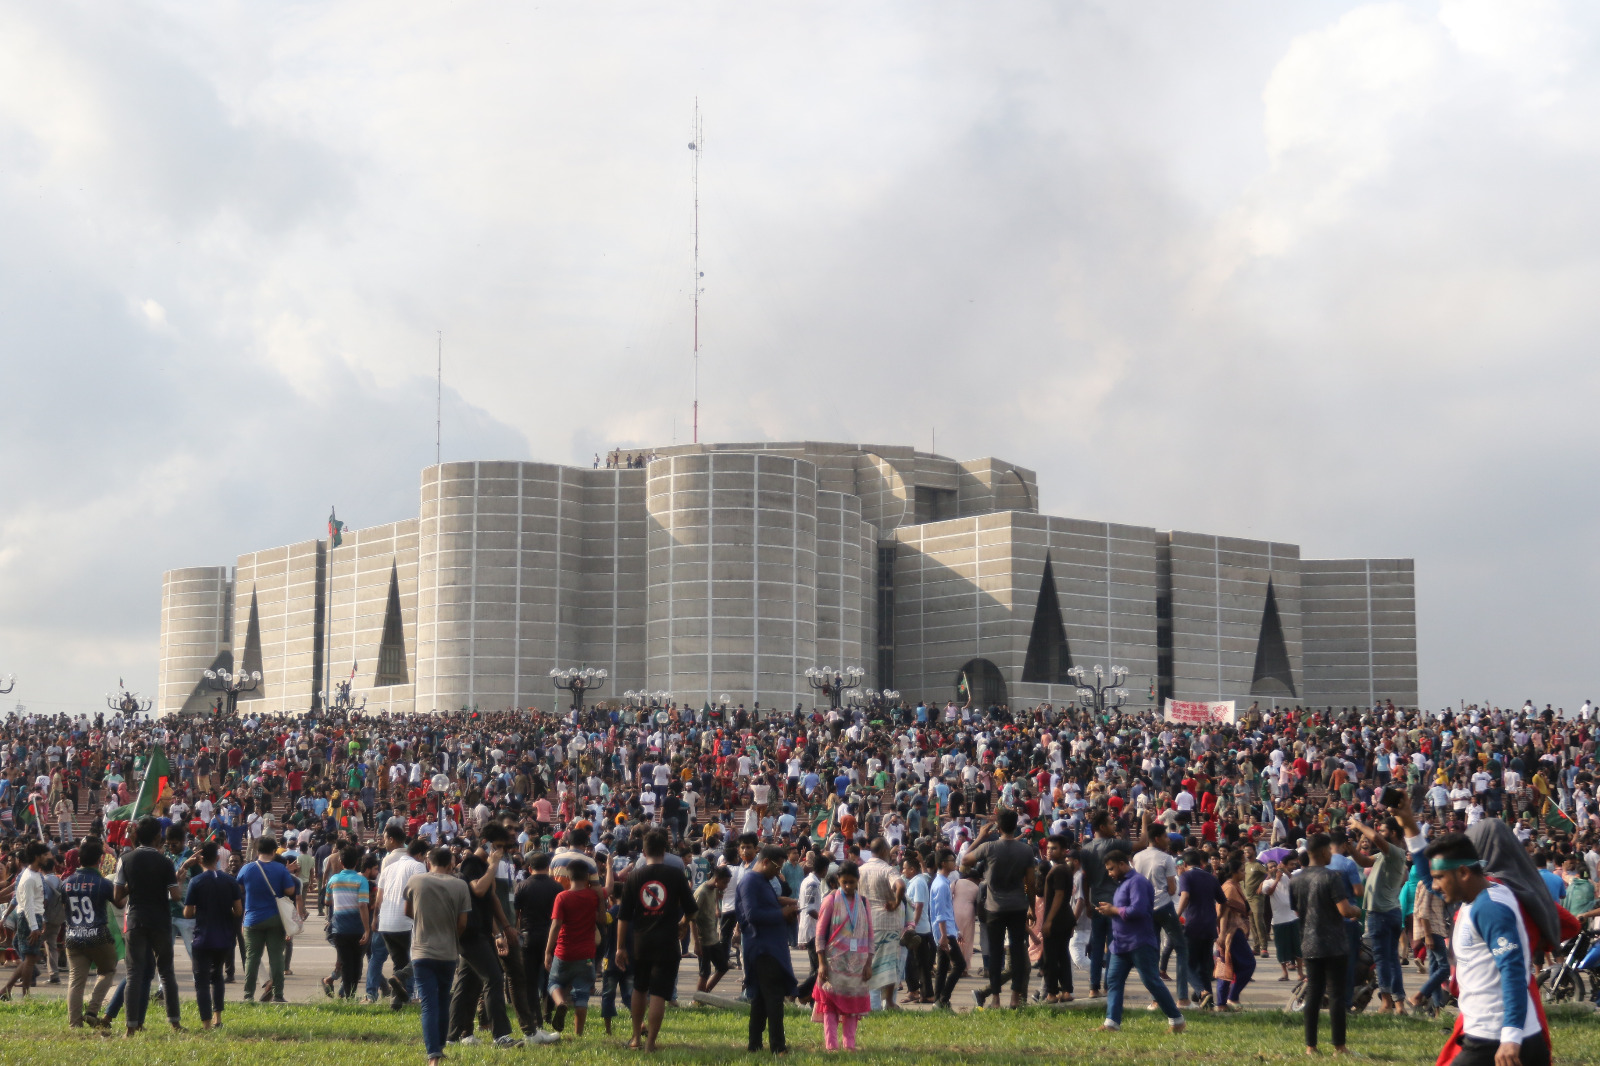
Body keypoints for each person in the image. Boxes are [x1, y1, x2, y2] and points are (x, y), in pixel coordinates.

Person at [1427, 834, 1550, 1066]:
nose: (1434, 885)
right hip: (1495, 1037)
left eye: (1439, 877)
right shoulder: (1479, 895)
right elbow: (1433, 879)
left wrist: (1511, 1037)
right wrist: (1409, 827)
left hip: (1496, 1042)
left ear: (1463, 873)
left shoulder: (1490, 909)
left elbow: (1512, 971)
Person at [616, 828, 698, 1052]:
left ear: (643, 850)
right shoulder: (675, 875)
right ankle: (650, 1043)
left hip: (640, 942)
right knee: (660, 993)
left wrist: (620, 947)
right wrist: (682, 923)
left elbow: (623, 916)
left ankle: (635, 1038)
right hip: (668, 941)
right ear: (665, 850)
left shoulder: (634, 876)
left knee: (639, 989)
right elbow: (692, 909)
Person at [1095, 848, 1185, 1034]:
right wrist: (1110, 910)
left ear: (1122, 864)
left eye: (1112, 869)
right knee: (1114, 981)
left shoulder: (1138, 882)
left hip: (1139, 942)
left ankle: (1176, 1020)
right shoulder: (1122, 884)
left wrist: (1113, 910)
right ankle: (1112, 1023)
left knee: (1151, 981)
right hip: (1120, 944)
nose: (1110, 874)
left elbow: (1138, 910)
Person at [1291, 833, 1363, 1056]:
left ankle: (1310, 1046)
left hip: (1309, 942)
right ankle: (1339, 1047)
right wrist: (1356, 911)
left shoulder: (1296, 879)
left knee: (1313, 992)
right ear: (1323, 851)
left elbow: (1297, 910)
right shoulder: (1331, 877)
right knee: (1336, 994)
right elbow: (1344, 909)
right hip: (1333, 942)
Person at [112, 815, 183, 1035]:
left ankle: (130, 1028)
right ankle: (174, 1022)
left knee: (134, 974)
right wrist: (177, 879)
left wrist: (133, 886)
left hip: (135, 919)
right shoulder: (165, 862)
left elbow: (117, 897)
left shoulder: (126, 859)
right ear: (157, 836)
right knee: (166, 972)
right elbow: (176, 894)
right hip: (160, 920)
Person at [960, 809, 1037, 1009]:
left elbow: (964, 861)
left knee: (995, 954)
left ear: (998, 827)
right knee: (1018, 953)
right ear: (1016, 826)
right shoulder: (1026, 851)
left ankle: (995, 999)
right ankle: (1015, 997)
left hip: (994, 908)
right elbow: (1030, 882)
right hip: (1018, 907)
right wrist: (1032, 907)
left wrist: (979, 837)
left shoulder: (989, 847)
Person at [406, 846, 472, 1066]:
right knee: (444, 999)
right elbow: (462, 923)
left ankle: (433, 1054)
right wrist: (452, 934)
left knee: (428, 1003)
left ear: (428, 861)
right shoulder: (460, 885)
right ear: (451, 864)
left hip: (421, 951)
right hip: (447, 951)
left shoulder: (416, 881)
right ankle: (441, 1047)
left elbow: (407, 911)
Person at [447, 842, 516, 1046]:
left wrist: (499, 933)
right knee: (494, 978)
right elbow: (478, 890)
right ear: (493, 845)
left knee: (467, 985)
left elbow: (489, 900)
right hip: (471, 934)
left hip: (481, 933)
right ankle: (501, 1035)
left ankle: (453, 1036)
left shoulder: (484, 866)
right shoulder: (471, 863)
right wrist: (493, 865)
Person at [737, 845, 799, 1054]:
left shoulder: (762, 881)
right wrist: (782, 914)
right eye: (776, 867)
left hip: (770, 945)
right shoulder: (749, 881)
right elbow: (752, 915)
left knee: (762, 999)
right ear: (764, 862)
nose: (778, 873)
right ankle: (778, 1047)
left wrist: (786, 903)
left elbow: (766, 904)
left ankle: (754, 1044)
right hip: (762, 947)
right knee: (773, 997)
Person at [811, 859, 872, 1050]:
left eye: (852, 882)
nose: (848, 886)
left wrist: (869, 962)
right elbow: (820, 934)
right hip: (834, 962)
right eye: (844, 882)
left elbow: (870, 934)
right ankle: (831, 1045)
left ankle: (850, 1044)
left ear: (857, 881)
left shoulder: (863, 902)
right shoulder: (830, 900)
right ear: (837, 880)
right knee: (830, 1003)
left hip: (857, 964)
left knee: (852, 1005)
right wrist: (821, 963)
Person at [182, 840, 242, 1029]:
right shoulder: (230, 881)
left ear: (200, 859)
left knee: (201, 980)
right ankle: (218, 1018)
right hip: (224, 937)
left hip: (202, 937)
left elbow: (188, 912)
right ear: (217, 858)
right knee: (217, 976)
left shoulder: (196, 881)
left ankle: (206, 1022)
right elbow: (238, 910)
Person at [545, 856, 604, 1037]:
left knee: (554, 982)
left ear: (568, 878)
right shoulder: (593, 896)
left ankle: (561, 1002)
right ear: (587, 877)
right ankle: (578, 1033)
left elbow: (555, 925)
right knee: (582, 993)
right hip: (586, 952)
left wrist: (548, 951)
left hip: (564, 950)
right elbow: (602, 919)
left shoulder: (562, 897)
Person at [62, 838, 117, 1028]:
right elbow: (119, 903)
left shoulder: (66, 883)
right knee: (107, 970)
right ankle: (93, 1010)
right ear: (99, 859)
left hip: (73, 936)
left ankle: (74, 1023)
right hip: (98, 934)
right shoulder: (103, 883)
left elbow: (64, 907)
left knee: (76, 980)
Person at [239, 836, 298, 1003]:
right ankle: (278, 994)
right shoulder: (280, 869)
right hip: (275, 918)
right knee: (276, 957)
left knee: (252, 958)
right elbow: (289, 890)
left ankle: (248, 995)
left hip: (252, 918)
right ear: (274, 851)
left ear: (257, 851)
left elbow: (240, 887)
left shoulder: (247, 869)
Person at [375, 837, 428, 1010]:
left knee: (399, 960)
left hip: (386, 922)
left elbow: (379, 897)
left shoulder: (388, 868)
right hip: (405, 920)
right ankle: (401, 976)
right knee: (421, 957)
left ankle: (395, 1002)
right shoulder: (417, 866)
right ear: (420, 854)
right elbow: (421, 893)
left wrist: (376, 918)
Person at [324, 844, 372, 999]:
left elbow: (327, 901)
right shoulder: (361, 880)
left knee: (345, 962)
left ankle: (348, 995)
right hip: (357, 928)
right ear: (357, 862)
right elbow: (363, 905)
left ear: (341, 863)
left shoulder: (333, 879)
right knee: (356, 963)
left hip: (339, 928)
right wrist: (367, 929)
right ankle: (350, 994)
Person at [0, 842, 47, 1002]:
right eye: (45, 854)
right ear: (37, 857)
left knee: (30, 958)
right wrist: (34, 927)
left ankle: (6, 989)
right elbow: (27, 904)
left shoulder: (34, 875)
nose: (48, 857)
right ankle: (25, 996)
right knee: (29, 958)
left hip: (32, 917)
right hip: (30, 918)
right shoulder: (28, 878)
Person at [1176, 848, 1221, 1009]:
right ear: (1201, 863)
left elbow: (1185, 896)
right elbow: (1222, 899)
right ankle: (1207, 1001)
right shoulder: (1211, 877)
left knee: (1186, 963)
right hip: (1209, 925)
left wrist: (1177, 915)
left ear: (1185, 864)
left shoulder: (1186, 876)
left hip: (1193, 924)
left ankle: (1201, 992)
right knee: (1204, 963)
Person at [1213, 854, 1255, 1009]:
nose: (1244, 873)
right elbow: (1223, 913)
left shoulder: (1234, 886)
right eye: (1242, 870)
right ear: (1234, 872)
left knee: (1229, 965)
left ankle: (1222, 1003)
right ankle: (1232, 997)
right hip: (1231, 932)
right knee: (1248, 964)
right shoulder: (1229, 888)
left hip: (1234, 930)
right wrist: (1222, 934)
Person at [1039, 834, 1076, 1003]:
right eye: (1048, 848)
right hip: (1064, 918)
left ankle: (1052, 993)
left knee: (1050, 958)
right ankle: (1066, 991)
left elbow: (1059, 896)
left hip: (1057, 919)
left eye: (1054, 848)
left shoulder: (1060, 869)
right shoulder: (1061, 868)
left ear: (1063, 851)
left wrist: (1048, 920)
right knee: (1062, 955)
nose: (1049, 851)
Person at [929, 849, 964, 1009]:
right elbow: (940, 913)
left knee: (943, 967)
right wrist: (944, 935)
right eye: (951, 860)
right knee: (959, 965)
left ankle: (938, 1001)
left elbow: (948, 911)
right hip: (944, 933)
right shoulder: (941, 885)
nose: (954, 862)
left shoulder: (942, 882)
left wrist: (956, 930)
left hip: (947, 931)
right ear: (943, 863)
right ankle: (943, 998)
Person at [693, 865, 733, 993]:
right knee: (704, 972)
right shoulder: (702, 892)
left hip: (713, 937)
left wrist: (716, 908)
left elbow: (715, 898)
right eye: (724, 883)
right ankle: (698, 1001)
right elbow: (692, 919)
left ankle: (704, 995)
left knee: (723, 966)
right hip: (703, 939)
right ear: (717, 879)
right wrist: (696, 943)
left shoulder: (714, 888)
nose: (726, 886)